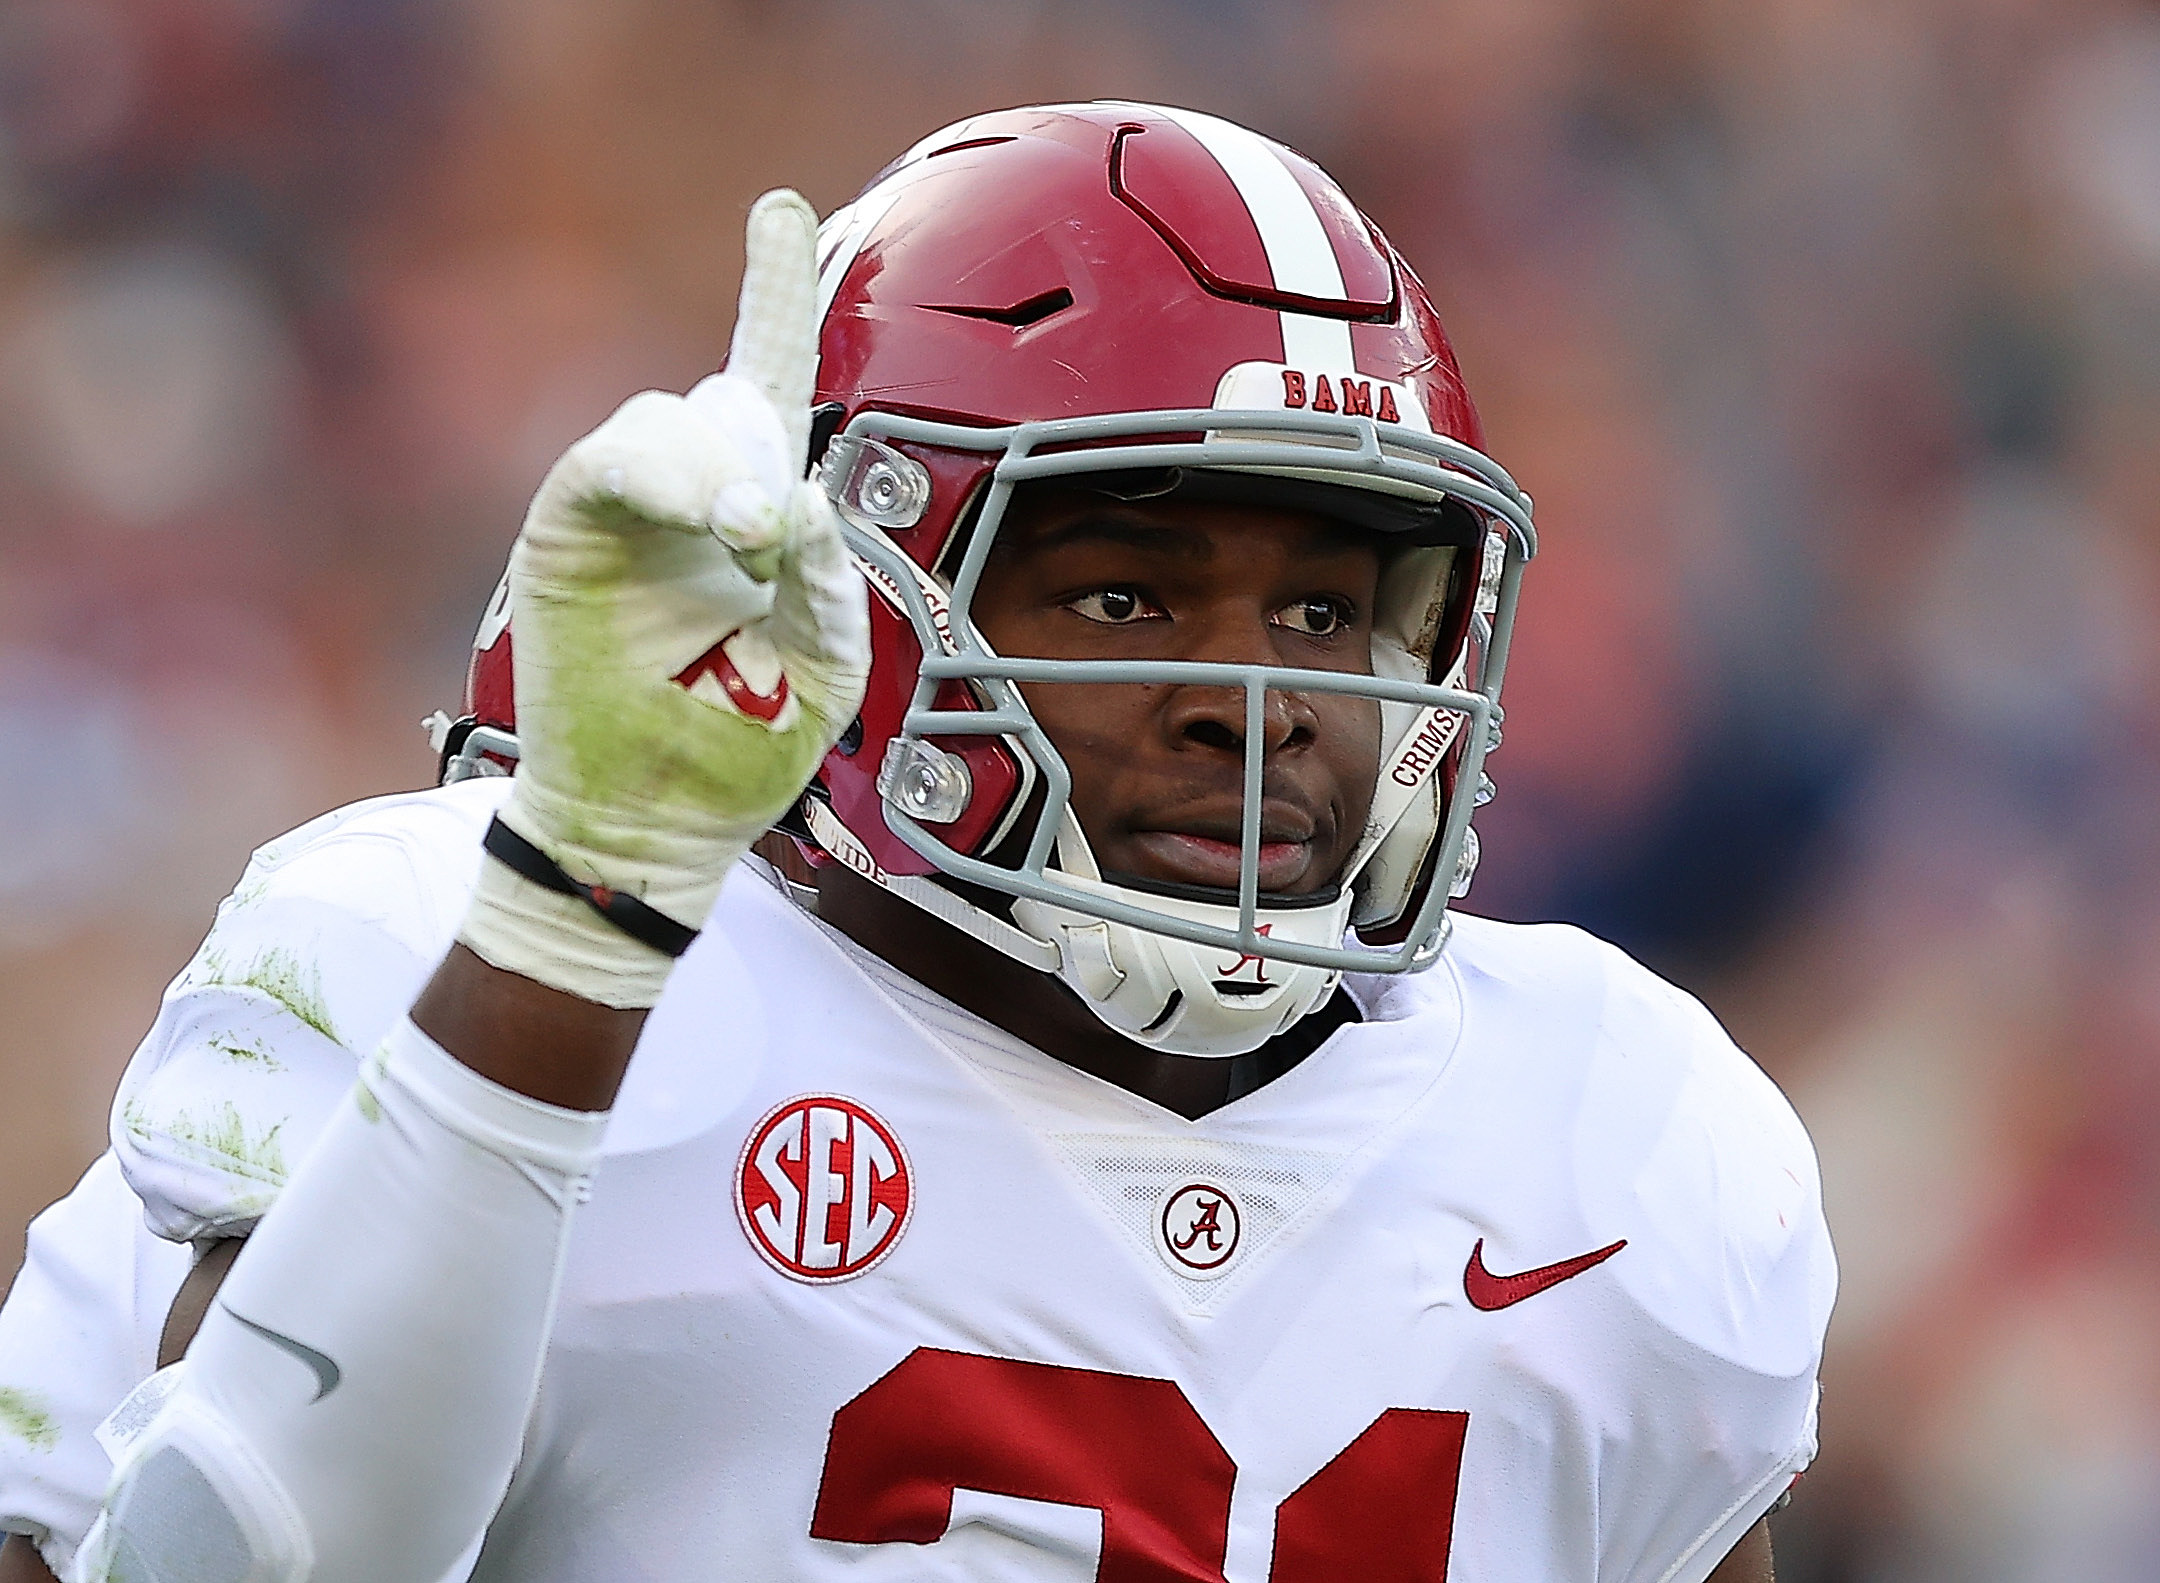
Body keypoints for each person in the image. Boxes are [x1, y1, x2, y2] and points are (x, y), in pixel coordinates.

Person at [0, 102, 1832, 1583]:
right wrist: (573, 927)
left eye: (1326, 616)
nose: (1250, 701)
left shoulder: (1618, 1128)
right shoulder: (451, 945)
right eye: (1125, 596)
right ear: (863, 601)